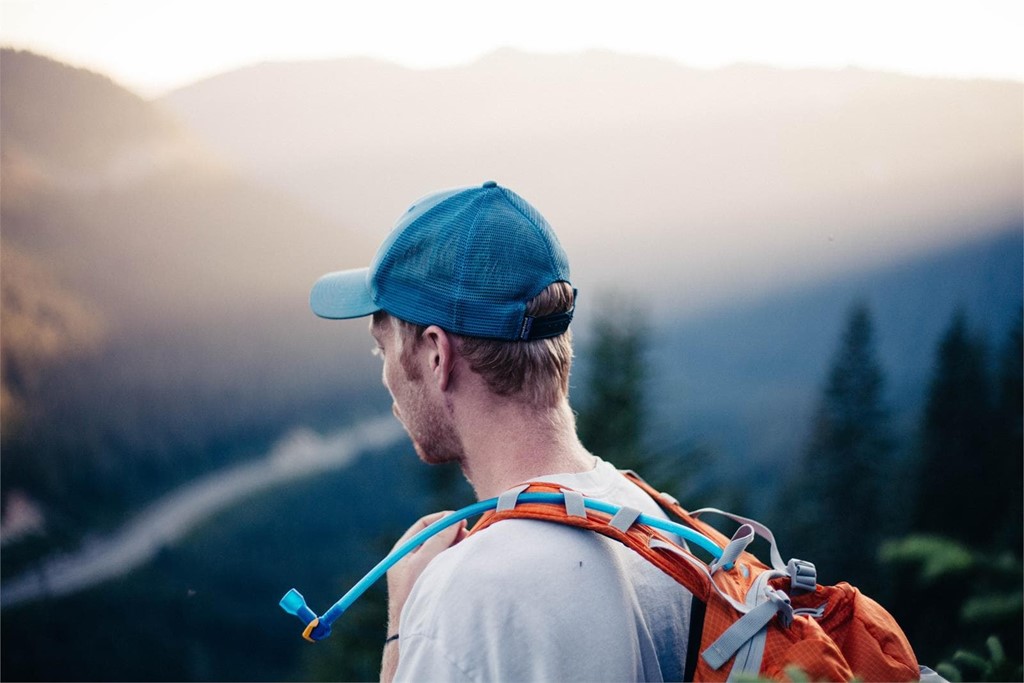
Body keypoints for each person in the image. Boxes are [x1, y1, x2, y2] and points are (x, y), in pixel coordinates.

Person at [310, 181, 693, 682]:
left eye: (382, 349)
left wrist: (404, 625)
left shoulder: (467, 599)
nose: (384, 375)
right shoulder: (658, 522)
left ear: (435, 355)